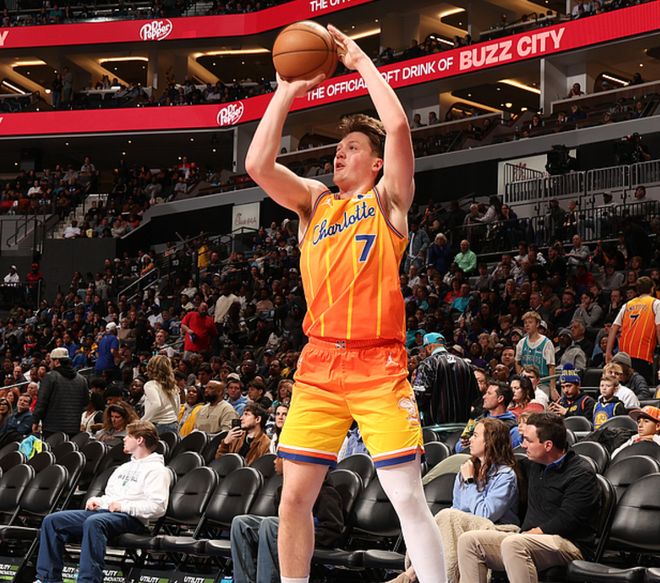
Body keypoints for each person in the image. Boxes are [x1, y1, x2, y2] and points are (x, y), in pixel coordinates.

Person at [245, 23, 444, 583]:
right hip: (318, 364)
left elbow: (398, 125)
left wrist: (359, 62)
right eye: (338, 147)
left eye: (353, 147)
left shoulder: (389, 201)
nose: (340, 152)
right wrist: (287, 90)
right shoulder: (314, 203)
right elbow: (258, 165)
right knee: (293, 498)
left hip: (378, 362)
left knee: (405, 495)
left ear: (376, 163)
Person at [459, 412, 599, 582]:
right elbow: (500, 461)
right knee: (469, 541)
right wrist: (479, 459)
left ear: (548, 445)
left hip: (570, 545)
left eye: (528, 440)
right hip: (527, 539)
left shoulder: (580, 473)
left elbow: (568, 519)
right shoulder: (533, 465)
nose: (523, 445)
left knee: (514, 544)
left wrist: (531, 533)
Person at [35, 421, 171, 583]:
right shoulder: (123, 468)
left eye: (129, 436)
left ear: (140, 440)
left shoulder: (158, 471)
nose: (124, 439)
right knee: (52, 520)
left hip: (133, 519)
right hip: (106, 513)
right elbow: (111, 496)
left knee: (95, 522)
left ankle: (89, 580)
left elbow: (158, 507)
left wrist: (124, 506)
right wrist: (98, 501)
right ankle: (47, 579)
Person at [388, 418, 520, 583]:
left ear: (490, 441)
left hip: (496, 530)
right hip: (462, 531)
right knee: (440, 522)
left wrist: (470, 482)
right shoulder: (466, 469)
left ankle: (414, 576)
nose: (470, 440)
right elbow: (458, 508)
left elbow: (485, 514)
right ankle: (419, 573)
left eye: (475, 436)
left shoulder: (505, 475)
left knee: (447, 516)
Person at [230, 457, 344, 583]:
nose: (274, 461)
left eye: (279, 458)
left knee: (270, 524)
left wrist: (304, 537)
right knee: (240, 523)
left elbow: (332, 530)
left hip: (308, 537)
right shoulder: (284, 489)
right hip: (284, 533)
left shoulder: (325, 492)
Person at [412, 332, 480, 425]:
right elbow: (475, 396)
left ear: (429, 347)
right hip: (462, 425)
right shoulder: (465, 364)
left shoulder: (428, 363)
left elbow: (419, 395)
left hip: (435, 426)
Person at [606, 276, 660, 384]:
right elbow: (659, 329)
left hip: (623, 357)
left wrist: (608, 353)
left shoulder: (627, 305)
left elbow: (614, 328)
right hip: (642, 356)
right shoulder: (656, 303)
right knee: (641, 388)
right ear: (652, 289)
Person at [32, 347, 88, 438]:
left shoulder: (50, 377)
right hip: (73, 428)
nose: (50, 365)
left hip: (52, 428)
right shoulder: (82, 379)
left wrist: (35, 421)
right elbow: (85, 402)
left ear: (57, 362)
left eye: (51, 361)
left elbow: (42, 401)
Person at [456, 381, 521, 453]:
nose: (484, 397)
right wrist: (464, 443)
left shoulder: (513, 430)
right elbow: (458, 447)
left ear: (500, 398)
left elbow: (511, 455)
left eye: (489, 393)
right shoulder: (476, 419)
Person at [515, 311, 556, 400]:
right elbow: (517, 362)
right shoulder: (521, 343)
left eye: (530, 322)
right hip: (525, 383)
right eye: (525, 323)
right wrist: (520, 378)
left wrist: (553, 388)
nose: (527, 325)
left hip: (542, 383)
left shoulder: (546, 343)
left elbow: (551, 367)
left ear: (537, 324)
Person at [142, 355, 180, 434]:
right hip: (173, 424)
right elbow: (177, 404)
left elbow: (156, 404)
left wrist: (143, 421)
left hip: (158, 426)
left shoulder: (150, 385)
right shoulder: (172, 386)